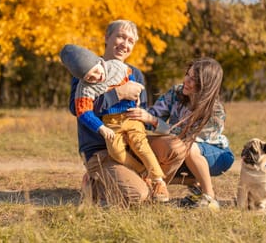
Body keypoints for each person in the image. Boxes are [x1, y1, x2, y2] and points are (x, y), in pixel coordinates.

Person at [60, 44, 169, 202]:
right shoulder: (84, 89)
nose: (97, 78)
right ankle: (141, 173)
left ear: (99, 62)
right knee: (116, 152)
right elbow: (83, 112)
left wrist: (137, 91)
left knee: (141, 145)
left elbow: (130, 77)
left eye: (97, 71)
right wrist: (101, 128)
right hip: (110, 123)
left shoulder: (116, 67)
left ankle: (159, 180)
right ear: (82, 80)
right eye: (90, 78)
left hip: (130, 117)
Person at [126, 57, 235, 209]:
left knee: (188, 148)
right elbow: (153, 116)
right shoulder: (176, 92)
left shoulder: (216, 111)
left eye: (193, 80)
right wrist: (138, 111)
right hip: (181, 151)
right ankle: (187, 183)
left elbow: (188, 136)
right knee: (163, 151)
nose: (186, 81)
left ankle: (210, 197)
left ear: (206, 85)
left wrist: (155, 122)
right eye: (187, 75)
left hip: (215, 155)